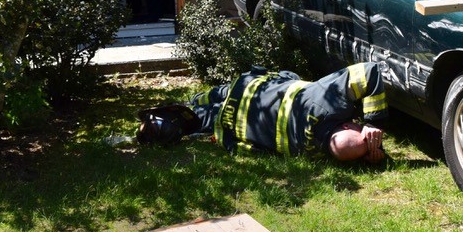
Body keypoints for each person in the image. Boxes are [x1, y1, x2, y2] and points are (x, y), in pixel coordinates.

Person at [137, 62, 389, 162]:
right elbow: (251, 150)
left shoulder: (322, 98)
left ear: (347, 124)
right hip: (232, 122)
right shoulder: (310, 153)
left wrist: (373, 123)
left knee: (210, 100)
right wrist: (371, 154)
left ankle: (176, 116)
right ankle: (170, 122)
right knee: (205, 113)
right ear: (347, 124)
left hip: (247, 91)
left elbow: (369, 71)